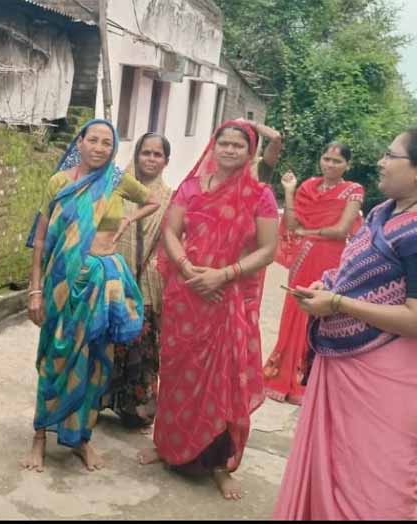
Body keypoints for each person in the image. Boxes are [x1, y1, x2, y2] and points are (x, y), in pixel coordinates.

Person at [273, 127, 417, 520]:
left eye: (390, 155)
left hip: (394, 380)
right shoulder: (384, 213)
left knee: (374, 492)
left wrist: (338, 303)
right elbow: (355, 273)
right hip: (349, 368)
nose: (380, 162)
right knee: (333, 472)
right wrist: (329, 286)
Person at [137, 120, 279, 501]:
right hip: (186, 296)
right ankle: (166, 445)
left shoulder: (260, 195)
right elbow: (171, 231)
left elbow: (269, 249)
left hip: (227, 298)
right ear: (213, 147)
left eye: (238, 145)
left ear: (250, 153)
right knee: (176, 371)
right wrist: (186, 269)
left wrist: (224, 275)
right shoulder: (190, 187)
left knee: (223, 380)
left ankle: (217, 465)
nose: (229, 150)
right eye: (223, 143)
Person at [21, 120, 161, 473]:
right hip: (63, 282)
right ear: (79, 142)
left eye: (107, 143)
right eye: (93, 140)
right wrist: (35, 289)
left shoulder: (116, 180)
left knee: (97, 359)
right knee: (56, 356)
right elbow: (41, 239)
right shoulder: (59, 182)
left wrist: (127, 221)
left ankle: (82, 438)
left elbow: (152, 200)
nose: (99, 148)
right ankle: (40, 435)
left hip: (104, 282)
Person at [262, 142, 364, 404]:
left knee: (319, 314)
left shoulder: (353, 191)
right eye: (326, 158)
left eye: (337, 161)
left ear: (347, 165)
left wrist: (309, 233)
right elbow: (292, 224)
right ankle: (283, 374)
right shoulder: (308, 186)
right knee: (295, 309)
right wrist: (289, 191)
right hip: (303, 257)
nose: (330, 164)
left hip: (330, 259)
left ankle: (308, 380)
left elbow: (342, 230)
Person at [103, 132, 174, 431]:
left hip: (148, 281)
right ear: (136, 155)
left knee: (141, 344)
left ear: (166, 161)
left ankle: (136, 408)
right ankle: (101, 399)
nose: (151, 159)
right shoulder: (116, 188)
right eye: (146, 152)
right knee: (107, 339)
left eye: (157, 154)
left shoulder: (171, 198)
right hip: (113, 275)